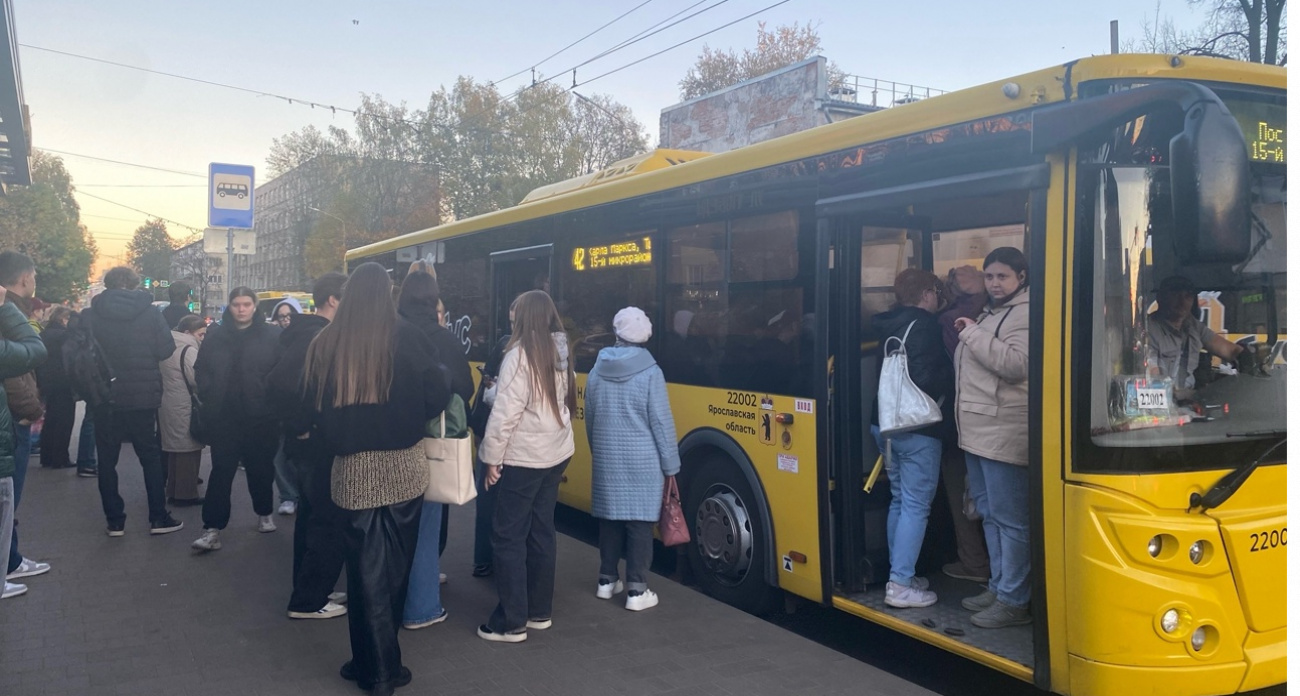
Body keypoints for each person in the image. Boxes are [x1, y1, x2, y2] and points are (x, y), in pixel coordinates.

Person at [302, 262, 449, 695]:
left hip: (352, 471)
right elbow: (437, 395)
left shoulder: (326, 343)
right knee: (395, 570)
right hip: (405, 466)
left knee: (364, 573)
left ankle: (371, 663)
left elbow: (309, 406)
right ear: (388, 294)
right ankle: (384, 666)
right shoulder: (409, 337)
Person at [477, 290, 576, 643]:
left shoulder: (519, 355)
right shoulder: (559, 351)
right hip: (556, 451)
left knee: (508, 534)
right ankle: (538, 611)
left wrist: (491, 458)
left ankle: (511, 621)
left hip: (526, 456)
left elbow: (505, 414)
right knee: (542, 530)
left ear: (524, 318)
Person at [953, 247, 1032, 629]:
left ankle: (1014, 600)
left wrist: (971, 333)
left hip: (1003, 431)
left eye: (1003, 276)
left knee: (1011, 521)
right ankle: (999, 588)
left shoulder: (1024, 313)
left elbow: (1016, 365)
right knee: (988, 515)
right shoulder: (992, 312)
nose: (995, 283)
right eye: (989, 276)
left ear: (1021, 277)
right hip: (978, 431)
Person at [585, 307, 680, 611]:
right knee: (639, 523)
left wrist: (599, 451)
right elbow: (661, 423)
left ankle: (606, 580)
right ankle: (637, 591)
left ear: (616, 333)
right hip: (643, 462)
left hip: (608, 457)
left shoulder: (597, 370)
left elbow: (590, 417)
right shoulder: (651, 373)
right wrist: (671, 465)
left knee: (610, 519)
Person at [869, 269, 954, 609]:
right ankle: (901, 585)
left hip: (884, 425)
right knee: (916, 506)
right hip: (917, 427)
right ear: (927, 294)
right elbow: (929, 378)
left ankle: (899, 574)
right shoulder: (926, 326)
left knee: (899, 500)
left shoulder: (886, 324)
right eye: (936, 292)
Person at [266, 272, 349, 621]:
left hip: (309, 443)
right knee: (327, 521)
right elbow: (281, 384)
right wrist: (300, 426)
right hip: (316, 443)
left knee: (312, 518)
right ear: (333, 300)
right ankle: (308, 599)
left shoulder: (305, 333)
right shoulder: (318, 336)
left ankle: (310, 588)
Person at [396, 270, 473, 630]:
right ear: (433, 303)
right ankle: (421, 607)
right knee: (426, 526)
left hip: (386, 442)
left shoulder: (388, 332)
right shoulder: (441, 339)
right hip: (430, 445)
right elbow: (462, 389)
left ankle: (397, 592)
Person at [88, 266, 183, 536]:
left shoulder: (94, 313)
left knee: (107, 460)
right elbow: (166, 349)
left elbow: (82, 353)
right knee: (149, 456)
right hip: (142, 395)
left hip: (105, 395)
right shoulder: (150, 312)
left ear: (108, 285)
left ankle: (115, 521)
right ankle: (158, 518)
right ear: (133, 285)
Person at [190, 287, 283, 551]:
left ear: (255, 306)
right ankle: (212, 528)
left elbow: (281, 371)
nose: (241, 309)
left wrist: (269, 399)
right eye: (236, 304)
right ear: (229, 306)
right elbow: (201, 369)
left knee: (261, 469)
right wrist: (209, 393)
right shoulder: (216, 336)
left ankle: (264, 511)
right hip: (225, 416)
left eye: (246, 304)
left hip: (261, 417)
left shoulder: (272, 336)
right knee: (221, 471)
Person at [936, 265, 991, 584]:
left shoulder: (948, 320)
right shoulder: (1001, 314)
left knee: (961, 493)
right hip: (997, 422)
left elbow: (956, 368)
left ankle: (974, 562)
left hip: (960, 421)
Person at [0, 252, 49, 582]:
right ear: (24, 278)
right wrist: (30, 411)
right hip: (12, 420)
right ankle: (9, 563)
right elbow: (19, 370)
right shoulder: (11, 312)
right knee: (8, 499)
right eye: (34, 276)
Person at [1145, 275, 1244, 402]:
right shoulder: (1148, 329)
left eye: (1188, 296)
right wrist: (1186, 395)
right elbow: (1154, 377)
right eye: (1175, 295)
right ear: (1160, 298)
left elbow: (1227, 349)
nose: (1182, 302)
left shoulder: (1192, 326)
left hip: (1188, 403)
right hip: (1160, 404)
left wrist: (1247, 356)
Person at [467, 320, 512, 579]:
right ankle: (489, 558)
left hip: (494, 440)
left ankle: (485, 559)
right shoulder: (507, 347)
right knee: (497, 503)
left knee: (489, 501)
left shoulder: (505, 348)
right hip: (502, 441)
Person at [159, 314, 207, 507]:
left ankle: (173, 489)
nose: (203, 338)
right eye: (200, 334)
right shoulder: (188, 350)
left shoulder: (167, 345)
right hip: (184, 404)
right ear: (188, 332)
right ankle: (186, 495)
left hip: (169, 403)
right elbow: (197, 378)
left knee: (175, 450)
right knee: (188, 448)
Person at [271, 297, 304, 515]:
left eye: (289, 315)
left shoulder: (306, 337)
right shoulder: (274, 340)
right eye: (281, 316)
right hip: (280, 407)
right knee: (279, 454)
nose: (285, 320)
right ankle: (288, 496)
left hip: (301, 405)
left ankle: (302, 494)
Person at [37, 307, 76, 470]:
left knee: (50, 418)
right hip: (64, 382)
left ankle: (46, 455)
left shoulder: (43, 334)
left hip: (46, 381)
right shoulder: (65, 336)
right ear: (64, 319)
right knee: (64, 420)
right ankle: (60, 458)